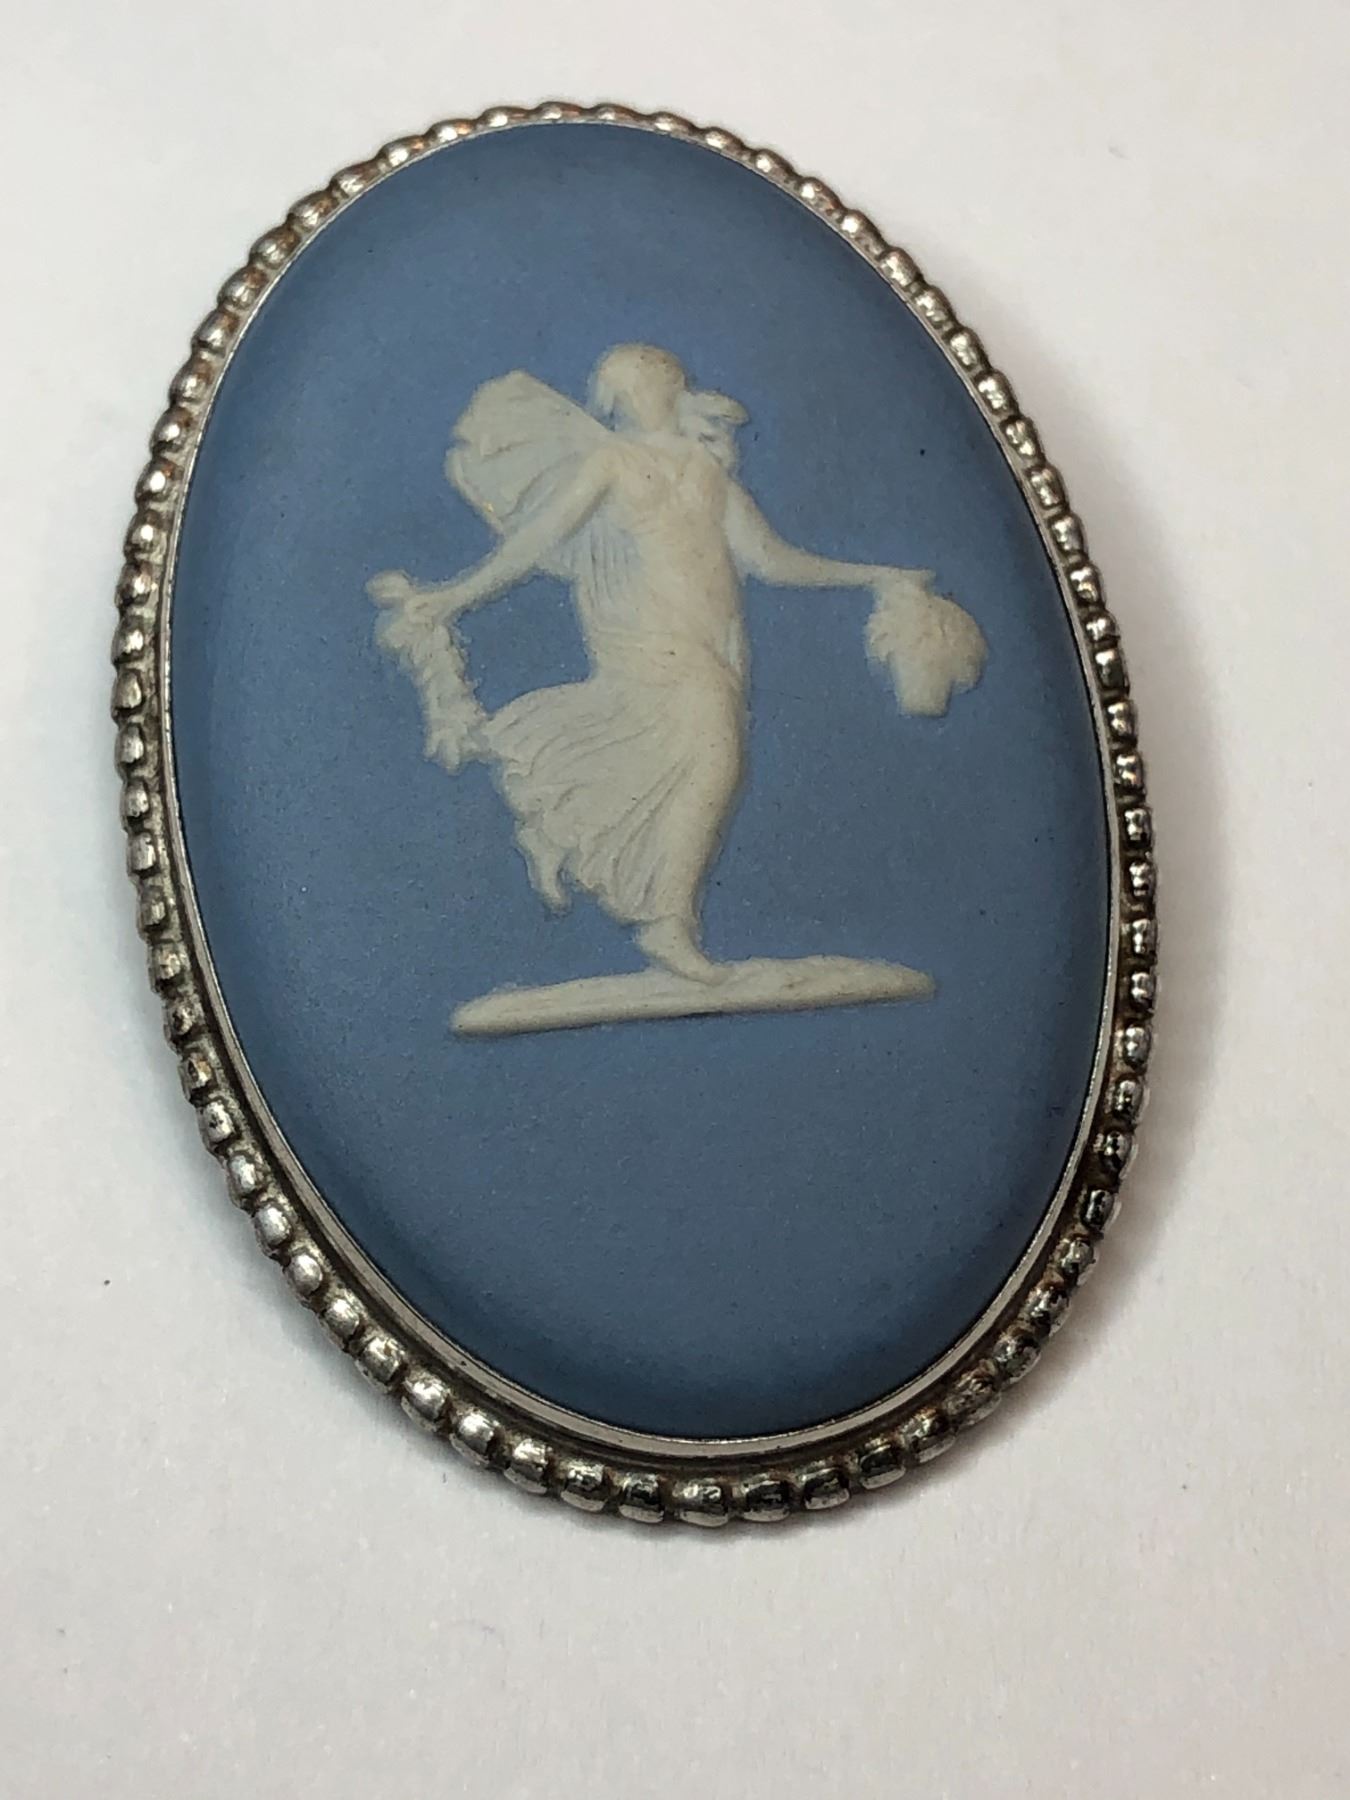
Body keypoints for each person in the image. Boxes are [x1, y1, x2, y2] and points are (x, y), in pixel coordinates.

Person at [369, 344, 985, 985]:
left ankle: (563, 829)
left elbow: (770, 559)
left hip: (712, 640)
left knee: (663, 756)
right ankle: (668, 925)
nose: (640, 393)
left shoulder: (705, 469)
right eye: (626, 386)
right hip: (643, 634)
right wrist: (456, 596)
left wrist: (874, 574)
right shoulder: (611, 462)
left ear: (671, 385)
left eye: (648, 380)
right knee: (716, 757)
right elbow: (537, 539)